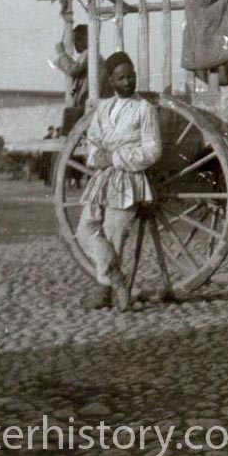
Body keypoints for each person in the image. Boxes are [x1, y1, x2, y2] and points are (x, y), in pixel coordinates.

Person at [76, 51, 162, 311]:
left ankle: (104, 292)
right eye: (121, 78)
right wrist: (96, 157)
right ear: (111, 82)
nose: (127, 82)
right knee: (85, 230)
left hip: (129, 179)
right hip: (103, 179)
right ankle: (117, 278)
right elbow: (92, 141)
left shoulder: (144, 109)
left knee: (115, 236)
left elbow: (153, 149)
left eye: (131, 76)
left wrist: (115, 157)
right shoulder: (103, 108)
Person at [54, 24, 113, 109]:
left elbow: (73, 69)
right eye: (75, 40)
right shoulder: (96, 56)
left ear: (88, 39)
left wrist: (62, 54)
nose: (76, 44)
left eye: (79, 39)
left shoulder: (89, 53)